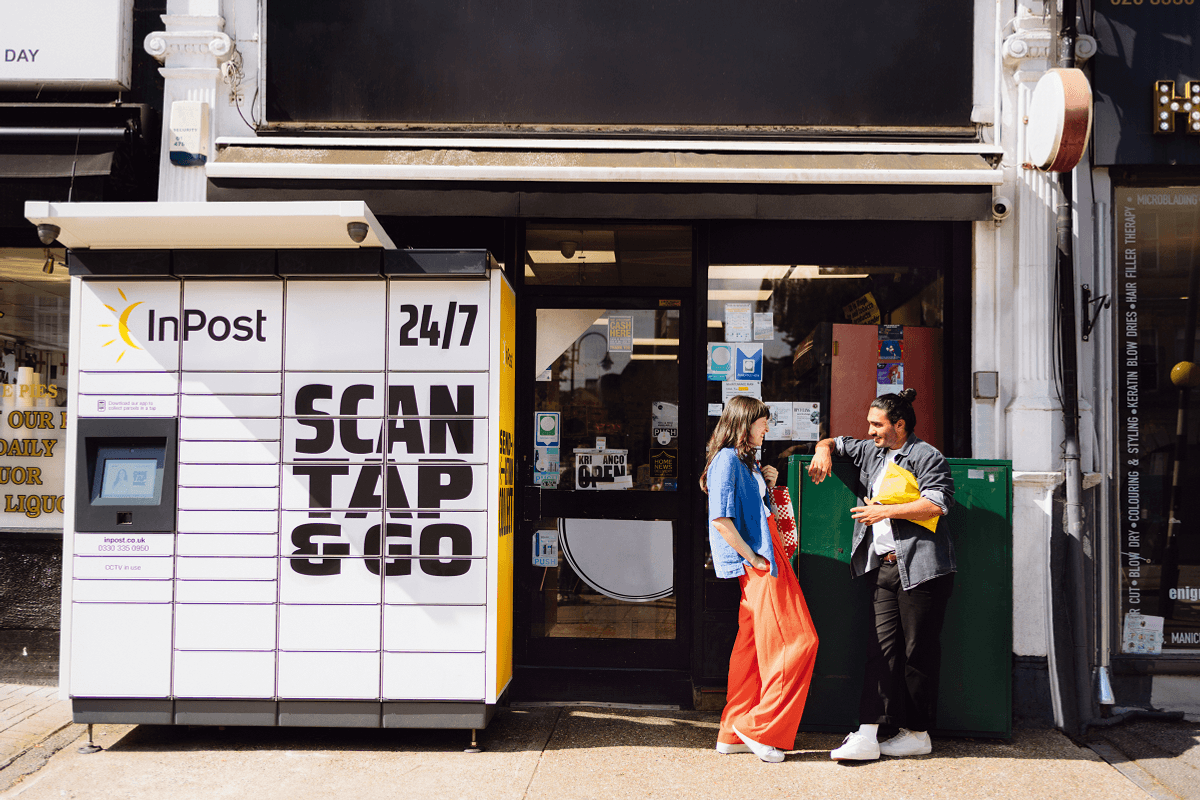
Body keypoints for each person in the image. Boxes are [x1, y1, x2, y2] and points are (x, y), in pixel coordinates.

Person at [807, 388, 954, 761]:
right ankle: (868, 733)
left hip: (922, 570)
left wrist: (884, 512)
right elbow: (838, 442)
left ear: (899, 425)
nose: (869, 430)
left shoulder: (926, 456)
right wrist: (823, 448)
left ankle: (917, 734)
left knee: (916, 652)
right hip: (883, 567)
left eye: (877, 424)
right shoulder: (871, 450)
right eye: (869, 424)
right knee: (880, 650)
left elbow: (937, 504)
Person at [701, 395, 819, 763]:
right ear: (744, 423)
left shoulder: (743, 461)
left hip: (765, 560)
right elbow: (720, 520)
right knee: (798, 642)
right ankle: (760, 728)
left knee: (751, 650)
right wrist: (753, 557)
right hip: (763, 564)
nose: (768, 428)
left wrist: (768, 482)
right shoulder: (727, 460)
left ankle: (732, 730)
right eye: (762, 421)